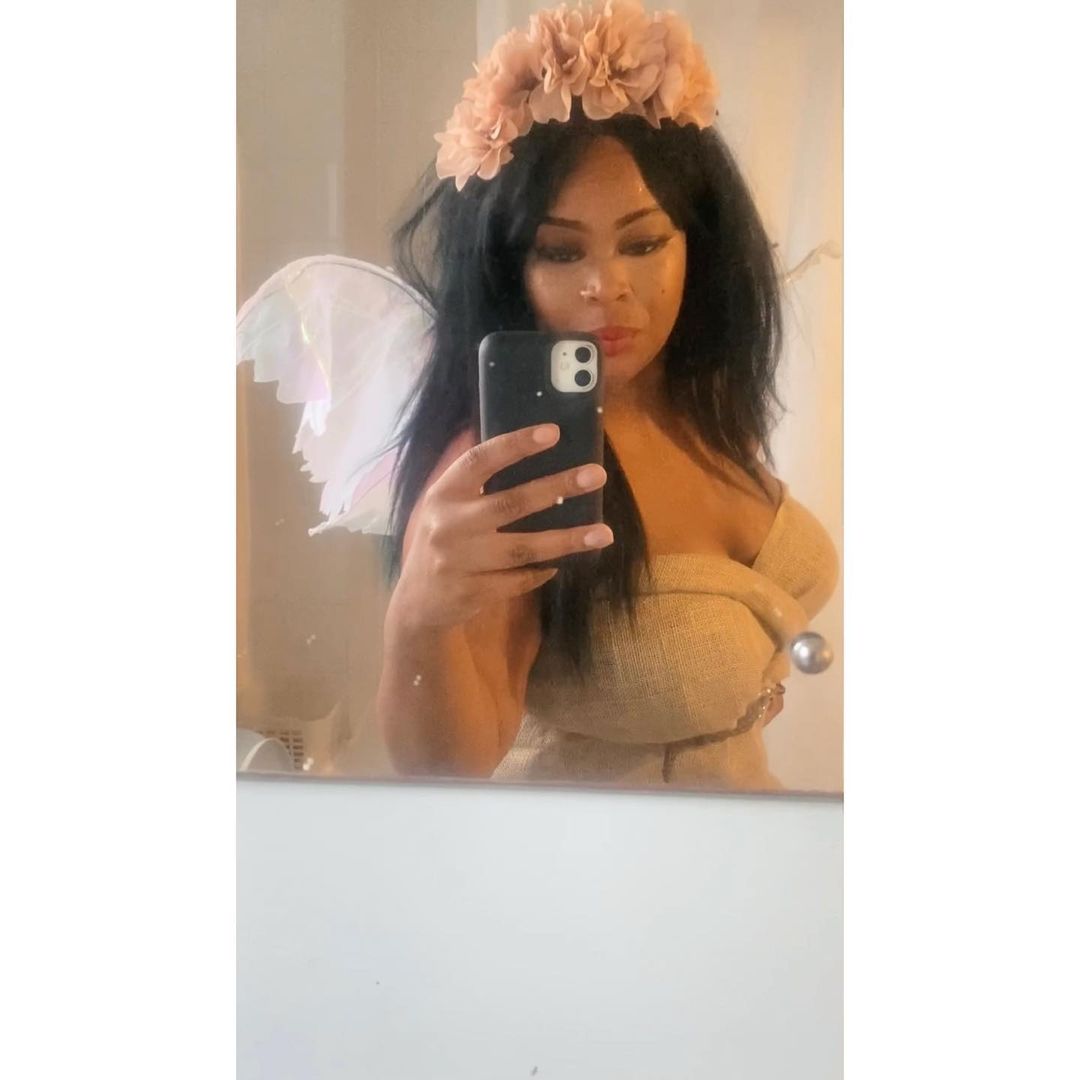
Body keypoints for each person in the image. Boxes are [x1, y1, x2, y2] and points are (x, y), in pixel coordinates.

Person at [373, 0, 839, 790]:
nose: (606, 287)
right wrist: (420, 614)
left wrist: (744, 683)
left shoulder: (696, 399)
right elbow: (446, 766)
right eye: (560, 252)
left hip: (741, 844)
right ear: (508, 269)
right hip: (593, 862)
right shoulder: (511, 464)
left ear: (700, 246)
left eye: (644, 242)